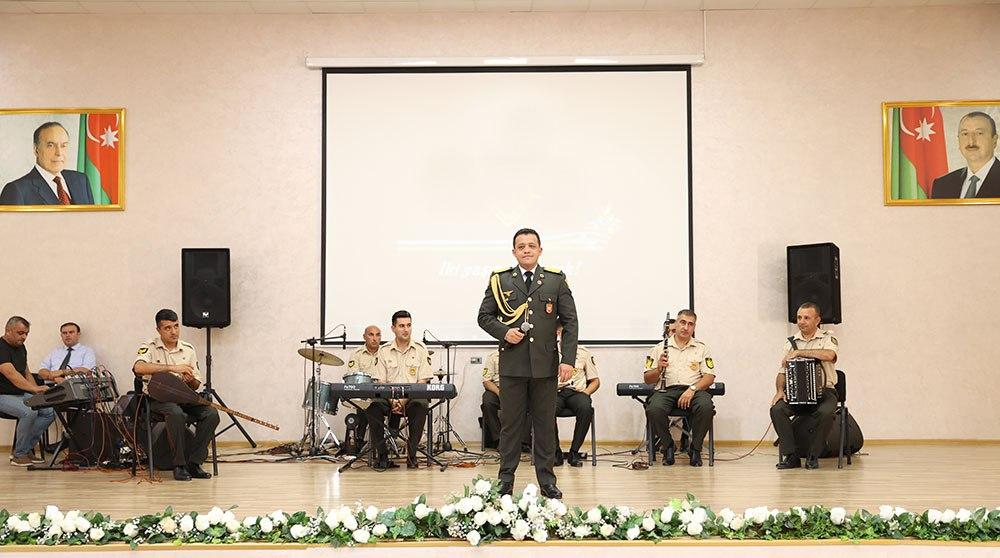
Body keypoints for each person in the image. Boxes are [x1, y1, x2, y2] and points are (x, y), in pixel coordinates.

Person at [478, 227, 578, 499]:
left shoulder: (555, 280)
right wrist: (504, 332)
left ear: (540, 250)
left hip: (545, 366)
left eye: (531, 245)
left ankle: (547, 481)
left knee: (544, 426)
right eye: (521, 246)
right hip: (512, 365)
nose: (526, 250)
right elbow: (484, 317)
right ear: (514, 252)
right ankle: (505, 482)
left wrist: (568, 360)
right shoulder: (500, 280)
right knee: (510, 426)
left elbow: (570, 322)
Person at [132, 309, 219, 481]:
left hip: (183, 397)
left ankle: (194, 463)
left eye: (176, 326)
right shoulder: (149, 346)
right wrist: (172, 368)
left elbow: (196, 384)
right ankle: (179, 465)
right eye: (168, 328)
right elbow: (138, 368)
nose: (174, 331)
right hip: (158, 399)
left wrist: (190, 381)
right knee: (175, 413)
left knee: (211, 414)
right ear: (158, 330)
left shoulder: (188, 349)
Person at [642, 309, 715, 467]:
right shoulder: (659, 348)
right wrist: (658, 369)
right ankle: (668, 446)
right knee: (653, 409)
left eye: (690, 324)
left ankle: (695, 449)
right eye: (682, 322)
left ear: (694, 327)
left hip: (694, 390)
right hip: (667, 390)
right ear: (675, 324)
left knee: (706, 406)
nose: (686, 327)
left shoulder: (702, 348)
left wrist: (692, 389)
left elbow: (709, 377)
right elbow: (647, 379)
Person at [770, 302, 839, 470]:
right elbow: (782, 371)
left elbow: (830, 355)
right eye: (799, 317)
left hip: (825, 392)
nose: (801, 321)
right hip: (797, 394)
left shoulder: (827, 338)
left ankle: (813, 456)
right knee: (777, 410)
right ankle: (792, 456)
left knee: (826, 413)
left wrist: (800, 352)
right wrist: (779, 390)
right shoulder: (790, 343)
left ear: (817, 320)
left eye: (806, 318)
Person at [366, 310, 433, 469]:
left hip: (412, 397)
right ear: (393, 328)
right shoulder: (384, 350)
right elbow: (380, 381)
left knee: (420, 405)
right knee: (373, 407)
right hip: (388, 397)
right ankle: (382, 455)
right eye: (401, 326)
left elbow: (423, 381)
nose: (406, 329)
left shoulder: (421, 349)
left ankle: (412, 455)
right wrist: (392, 400)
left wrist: (404, 399)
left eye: (409, 325)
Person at [0, 316, 55, 466]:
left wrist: (36, 392)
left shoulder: (21, 347)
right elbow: (11, 373)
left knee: (48, 411)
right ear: (8, 330)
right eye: (20, 333)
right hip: (2, 395)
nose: (24, 337)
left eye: (26, 333)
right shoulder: (1, 347)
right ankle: (19, 455)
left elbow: (26, 372)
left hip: (19, 394)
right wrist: (34, 388)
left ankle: (25, 449)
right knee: (28, 412)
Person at [0, 122, 95, 205]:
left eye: (63, 146)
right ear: (36, 150)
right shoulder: (16, 190)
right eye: (50, 145)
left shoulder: (81, 180)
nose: (59, 153)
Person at [554, 324, 599, 467]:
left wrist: (585, 393)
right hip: (556, 392)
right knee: (546, 410)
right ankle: (555, 452)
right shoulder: (550, 351)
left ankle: (574, 452)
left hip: (576, 392)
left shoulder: (583, 352)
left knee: (586, 408)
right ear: (558, 333)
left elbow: (595, 381)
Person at [931, 111, 1000, 199]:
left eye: (979, 133)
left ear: (994, 140)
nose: (971, 141)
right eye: (965, 134)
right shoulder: (942, 184)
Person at [480, 349, 531, 453]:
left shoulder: (525, 354)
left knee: (533, 402)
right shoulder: (493, 356)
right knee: (487, 401)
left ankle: (522, 442)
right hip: (498, 390)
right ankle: (499, 440)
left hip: (519, 390)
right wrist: (500, 393)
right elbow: (486, 381)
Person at [342, 325, 381, 455]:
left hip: (382, 393)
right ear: (364, 337)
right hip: (365, 394)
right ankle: (358, 442)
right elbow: (354, 378)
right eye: (371, 335)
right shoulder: (357, 354)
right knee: (364, 405)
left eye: (378, 335)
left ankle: (384, 444)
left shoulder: (386, 353)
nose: (374, 338)